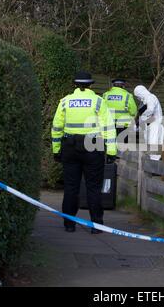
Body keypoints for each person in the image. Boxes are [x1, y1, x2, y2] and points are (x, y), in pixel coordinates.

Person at [51, 71, 117, 234]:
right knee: (93, 187)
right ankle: (96, 224)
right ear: (90, 85)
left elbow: (56, 127)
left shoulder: (65, 102)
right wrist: (111, 152)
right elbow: (108, 127)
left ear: (75, 84)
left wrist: (56, 150)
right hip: (92, 146)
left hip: (70, 146)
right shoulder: (98, 101)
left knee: (71, 187)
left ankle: (69, 224)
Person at [133, 85, 164, 160]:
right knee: (150, 147)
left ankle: (154, 166)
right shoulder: (146, 100)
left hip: (154, 126)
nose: (138, 98)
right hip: (150, 125)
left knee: (154, 147)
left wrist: (143, 118)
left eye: (137, 96)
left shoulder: (150, 97)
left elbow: (150, 110)